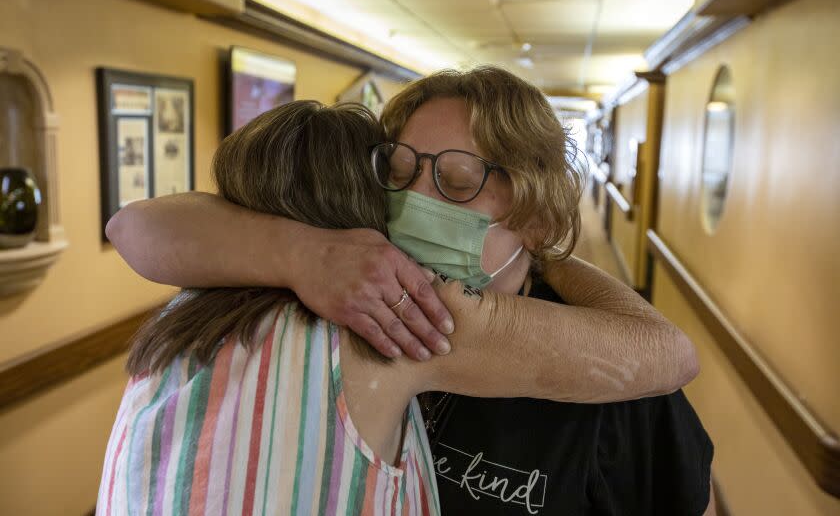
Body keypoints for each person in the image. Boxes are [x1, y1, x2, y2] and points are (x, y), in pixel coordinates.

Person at [107, 67, 714, 515]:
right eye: (397, 174)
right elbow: (136, 226)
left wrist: (553, 261)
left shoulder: (619, 381)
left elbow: (670, 359)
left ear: (537, 214)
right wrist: (302, 253)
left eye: (454, 182)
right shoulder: (364, 299)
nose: (415, 201)